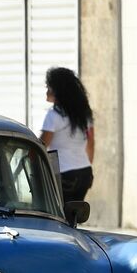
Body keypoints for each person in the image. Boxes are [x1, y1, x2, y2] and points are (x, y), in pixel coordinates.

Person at [39, 67, 94, 203]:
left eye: (49, 87)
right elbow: (91, 142)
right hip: (84, 172)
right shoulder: (83, 114)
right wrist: (87, 164)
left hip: (64, 174)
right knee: (74, 215)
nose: (47, 91)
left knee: (61, 217)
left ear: (58, 91)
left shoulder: (53, 115)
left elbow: (42, 145)